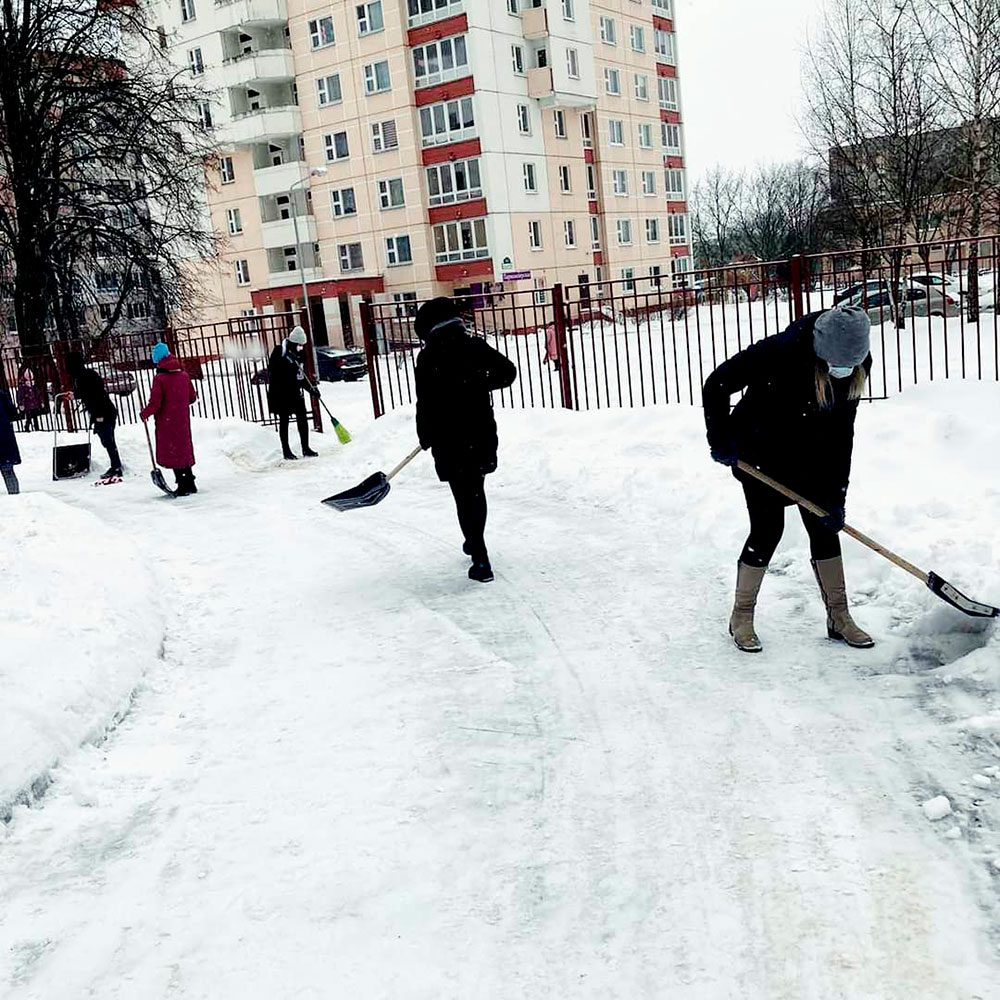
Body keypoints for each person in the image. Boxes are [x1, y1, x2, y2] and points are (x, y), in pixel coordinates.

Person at [703, 305, 875, 653]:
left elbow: (843, 433)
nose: (841, 373)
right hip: (760, 451)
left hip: (812, 454)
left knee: (823, 526)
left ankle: (839, 617)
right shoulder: (781, 351)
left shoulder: (857, 363)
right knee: (768, 530)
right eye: (834, 367)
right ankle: (742, 616)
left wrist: (836, 496)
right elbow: (717, 384)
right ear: (819, 351)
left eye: (848, 368)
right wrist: (721, 439)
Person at [415, 297, 518, 583]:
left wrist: (425, 434)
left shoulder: (428, 357)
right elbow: (507, 373)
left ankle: (480, 556)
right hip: (478, 432)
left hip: (448, 437)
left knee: (463, 495)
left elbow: (423, 402)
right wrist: (477, 381)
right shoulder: (475, 347)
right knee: (476, 490)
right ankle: (475, 544)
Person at [140, 342, 199, 496]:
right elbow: (192, 398)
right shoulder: (184, 375)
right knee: (183, 451)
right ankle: (190, 482)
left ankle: (182, 485)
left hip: (167, 423)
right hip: (182, 421)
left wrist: (145, 413)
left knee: (173, 453)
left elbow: (155, 404)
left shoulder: (160, 379)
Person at [66, 351, 122, 480]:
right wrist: (75, 395)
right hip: (103, 411)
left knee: (108, 440)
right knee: (107, 440)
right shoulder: (84, 375)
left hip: (103, 412)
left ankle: (116, 466)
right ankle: (116, 465)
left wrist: (99, 416)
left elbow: (93, 394)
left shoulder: (84, 376)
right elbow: (88, 392)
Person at [267, 325, 319, 461]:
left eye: (303, 345)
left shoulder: (300, 355)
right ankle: (286, 450)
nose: (301, 347)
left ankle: (306, 448)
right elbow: (272, 369)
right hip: (280, 393)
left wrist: (311, 389)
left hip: (295, 392)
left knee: (302, 418)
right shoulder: (280, 351)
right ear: (293, 342)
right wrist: (287, 362)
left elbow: (301, 376)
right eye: (299, 344)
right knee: (284, 420)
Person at [0, 383, 21, 494]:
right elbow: (12, 413)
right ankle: (15, 496)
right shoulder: (2, 395)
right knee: (8, 470)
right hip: (4, 435)